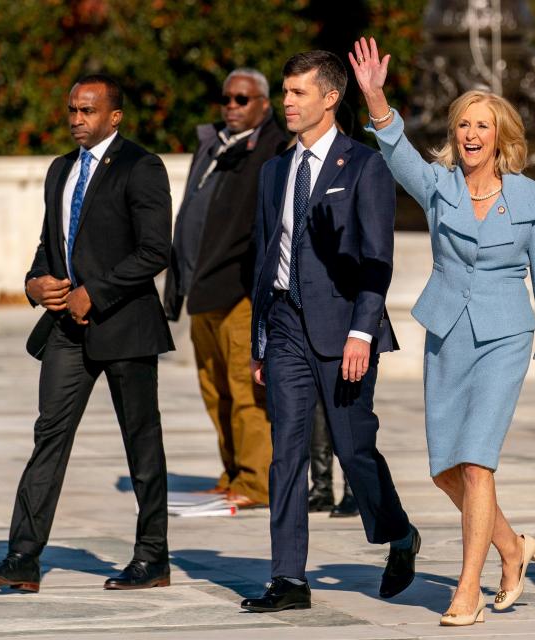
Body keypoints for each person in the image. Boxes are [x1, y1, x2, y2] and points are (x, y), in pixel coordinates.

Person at [350, 37, 535, 626]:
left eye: (483, 125)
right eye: (463, 125)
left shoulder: (533, 198)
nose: (472, 134)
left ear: (501, 135)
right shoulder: (440, 187)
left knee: (477, 463)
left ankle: (467, 590)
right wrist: (375, 98)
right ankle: (513, 546)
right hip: (447, 333)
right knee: (445, 467)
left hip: (504, 336)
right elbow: (396, 150)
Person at [0, 74, 175, 592]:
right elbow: (50, 243)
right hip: (66, 329)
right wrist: (35, 282)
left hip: (125, 326)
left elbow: (155, 251)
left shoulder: (141, 166)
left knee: (142, 445)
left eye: (87, 111)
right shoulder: (60, 169)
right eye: (71, 110)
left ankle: (152, 557)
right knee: (50, 435)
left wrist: (96, 292)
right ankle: (22, 556)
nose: (76, 120)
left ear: (114, 117)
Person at [242, 50, 419, 614]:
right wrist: (260, 342)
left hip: (345, 330)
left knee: (352, 448)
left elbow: (377, 259)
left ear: (330, 98)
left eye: (298, 93)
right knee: (286, 453)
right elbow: (263, 258)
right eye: (286, 92)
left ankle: (399, 534)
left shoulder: (364, 166)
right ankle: (288, 578)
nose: (288, 103)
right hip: (287, 325)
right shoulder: (274, 170)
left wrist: (362, 334)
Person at [163, 68, 287, 509]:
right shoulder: (213, 143)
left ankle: (257, 482)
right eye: (228, 98)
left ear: (264, 105)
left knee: (245, 390)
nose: (232, 106)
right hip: (201, 288)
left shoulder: (274, 146)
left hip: (239, 293)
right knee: (213, 389)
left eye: (243, 99)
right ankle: (232, 472)